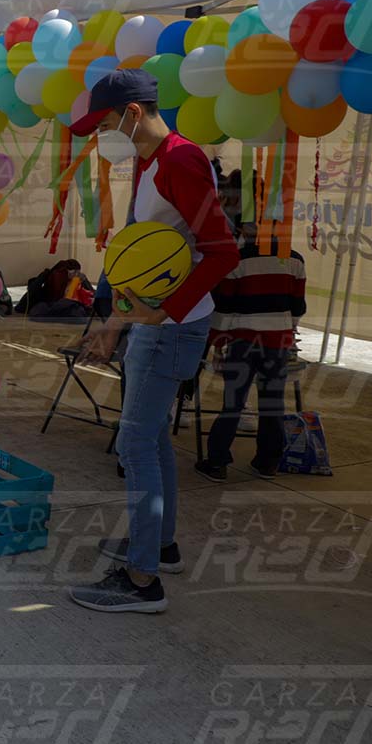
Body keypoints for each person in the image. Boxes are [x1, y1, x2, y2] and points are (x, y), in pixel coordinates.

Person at [69, 69, 239, 614]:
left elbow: (222, 252)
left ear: (132, 114)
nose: (100, 135)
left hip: (170, 329)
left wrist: (162, 312)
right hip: (154, 325)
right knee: (156, 442)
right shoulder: (148, 161)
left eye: (103, 123)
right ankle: (160, 548)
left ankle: (142, 581)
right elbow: (145, 256)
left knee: (134, 445)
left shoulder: (182, 161)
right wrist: (115, 320)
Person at [197, 208, 306, 482]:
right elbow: (297, 306)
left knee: (233, 403)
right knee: (272, 403)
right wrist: (288, 332)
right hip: (278, 341)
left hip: (243, 340)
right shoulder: (295, 260)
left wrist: (217, 341)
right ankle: (268, 462)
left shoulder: (238, 260)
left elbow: (225, 307)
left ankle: (218, 462)